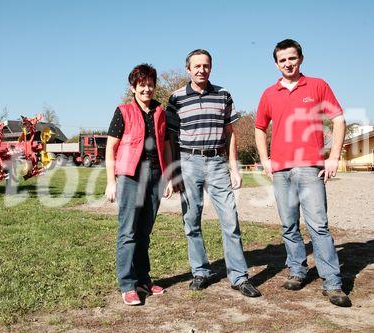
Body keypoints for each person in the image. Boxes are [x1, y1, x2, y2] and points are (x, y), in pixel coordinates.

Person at [254, 39, 351, 307]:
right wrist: (265, 159)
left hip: (310, 167)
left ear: (301, 59)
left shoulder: (318, 86)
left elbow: (339, 119)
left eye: (292, 58)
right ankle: (297, 270)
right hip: (281, 170)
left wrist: (333, 156)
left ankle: (332, 282)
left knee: (318, 225)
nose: (288, 63)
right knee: (288, 224)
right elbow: (260, 127)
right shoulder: (269, 93)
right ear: (276, 63)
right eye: (283, 60)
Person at [166, 49, 261, 297]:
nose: (201, 70)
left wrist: (234, 166)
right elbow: (171, 139)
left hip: (217, 162)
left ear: (211, 67)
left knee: (230, 220)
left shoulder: (223, 94)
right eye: (196, 66)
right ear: (188, 69)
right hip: (188, 162)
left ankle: (239, 277)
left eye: (206, 66)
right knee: (191, 220)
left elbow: (230, 133)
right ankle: (200, 272)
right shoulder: (176, 98)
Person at [105, 63, 173, 306]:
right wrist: (111, 182)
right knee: (128, 232)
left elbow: (165, 145)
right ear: (133, 87)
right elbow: (110, 148)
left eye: (150, 84)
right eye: (142, 84)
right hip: (130, 177)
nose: (147, 89)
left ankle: (144, 279)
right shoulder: (123, 111)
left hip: (155, 176)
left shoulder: (160, 112)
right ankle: (127, 284)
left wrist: (168, 177)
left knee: (144, 232)